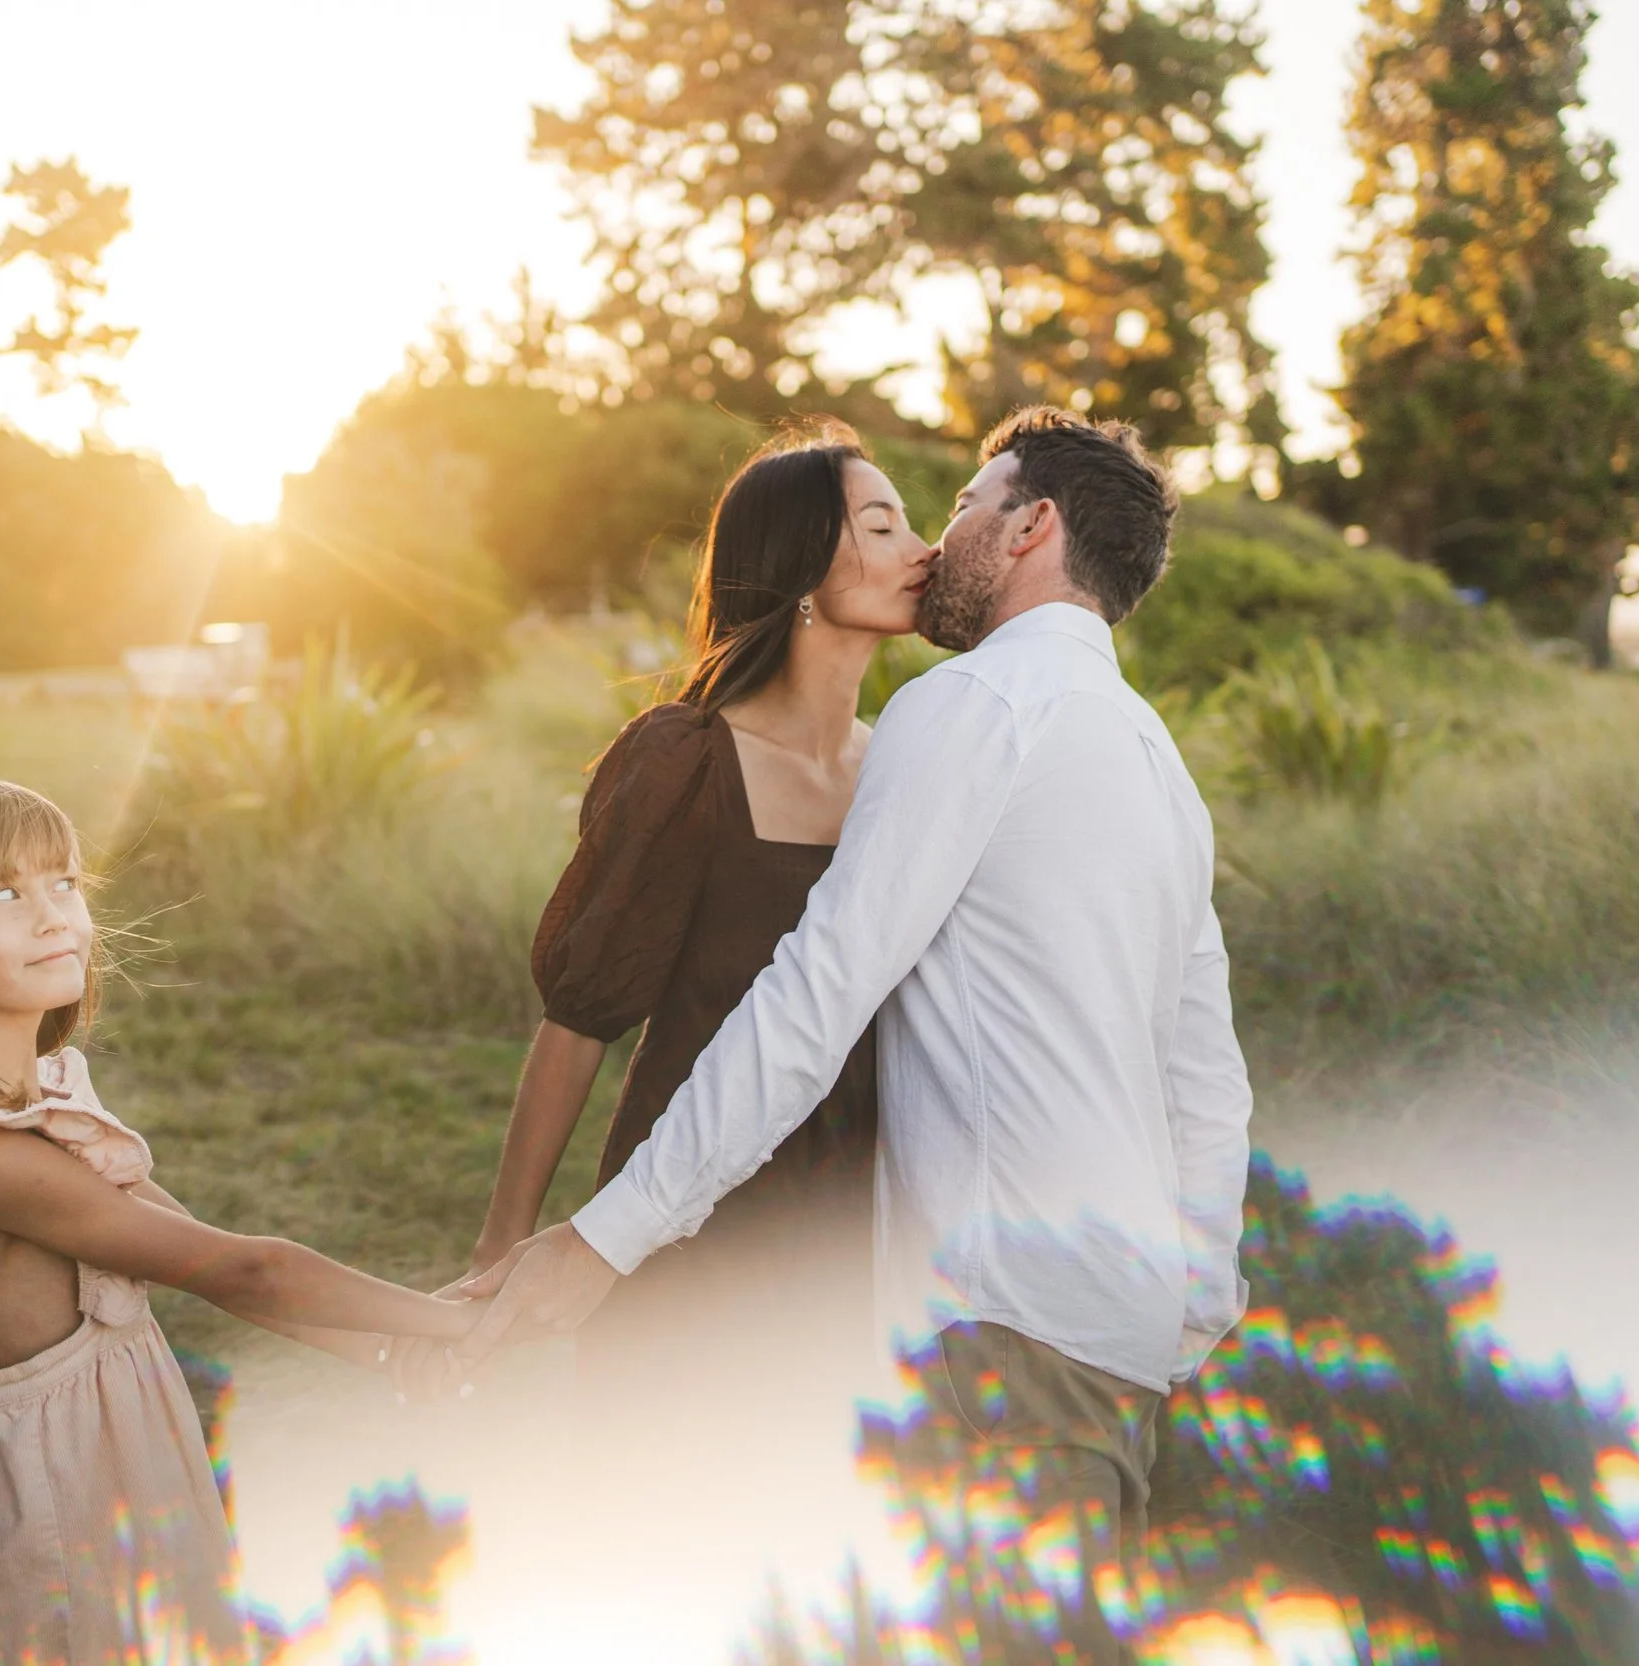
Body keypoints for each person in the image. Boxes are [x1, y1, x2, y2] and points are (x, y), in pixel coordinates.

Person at [459, 407, 1255, 1662]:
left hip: (992, 1329)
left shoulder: (965, 708)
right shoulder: (1156, 761)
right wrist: (1194, 1297)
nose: (941, 542)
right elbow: (1205, 1073)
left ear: (1033, 525)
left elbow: (817, 994)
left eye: (961, 509)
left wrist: (606, 1238)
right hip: (1117, 1335)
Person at [0, 778, 481, 1664]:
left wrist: (380, 1350)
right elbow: (249, 1269)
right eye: (3, 894)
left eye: (64, 882)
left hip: (103, 1466)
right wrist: (459, 1318)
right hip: (54, 1498)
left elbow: (207, 1259)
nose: (52, 914)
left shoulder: (39, 1108)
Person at [440, 428, 930, 1411]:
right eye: (883, 525)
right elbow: (580, 1022)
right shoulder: (686, 762)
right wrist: (501, 1250)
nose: (923, 548)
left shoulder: (909, 768)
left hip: (854, 1224)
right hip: (690, 1221)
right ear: (800, 568)